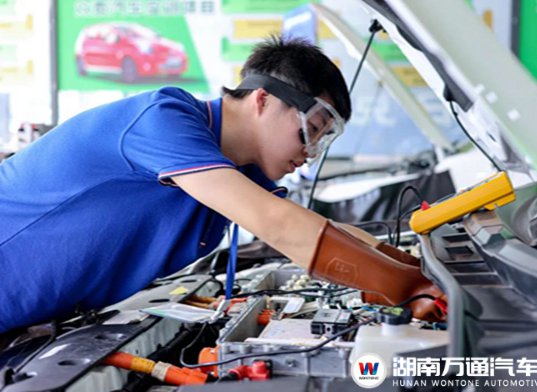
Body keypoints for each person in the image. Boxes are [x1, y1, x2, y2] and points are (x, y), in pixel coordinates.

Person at [0, 36, 443, 335]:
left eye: (324, 139)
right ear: (263, 100)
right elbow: (279, 225)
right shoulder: (163, 120)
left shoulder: (236, 168)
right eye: (310, 130)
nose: (311, 152)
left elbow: (311, 227)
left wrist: (420, 272)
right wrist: (410, 288)